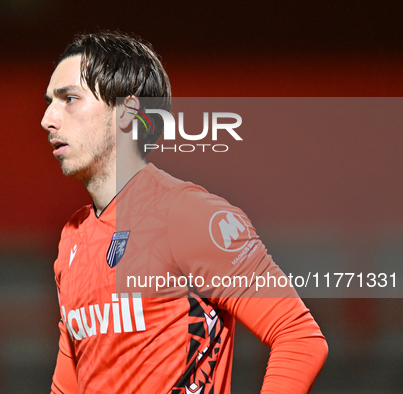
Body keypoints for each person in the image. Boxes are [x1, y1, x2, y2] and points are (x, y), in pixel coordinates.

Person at [41, 31, 328, 394]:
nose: (47, 119)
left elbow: (298, 336)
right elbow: (68, 385)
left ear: (128, 112)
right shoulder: (73, 237)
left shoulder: (189, 215)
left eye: (69, 99)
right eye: (50, 101)